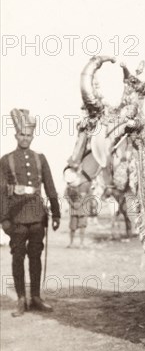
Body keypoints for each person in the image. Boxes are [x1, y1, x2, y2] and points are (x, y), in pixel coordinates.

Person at [0, 109, 61, 317]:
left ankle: (35, 297)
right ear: (16, 136)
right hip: (16, 218)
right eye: (21, 135)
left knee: (35, 257)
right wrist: (4, 219)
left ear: (32, 136)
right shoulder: (6, 160)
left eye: (28, 135)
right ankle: (21, 300)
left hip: (37, 217)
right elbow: (0, 191)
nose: (25, 138)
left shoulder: (40, 158)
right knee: (18, 258)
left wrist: (56, 213)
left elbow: (50, 186)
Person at [65, 182, 87, 248]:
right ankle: (71, 243)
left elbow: (88, 195)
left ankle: (81, 243)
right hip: (73, 209)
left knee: (82, 226)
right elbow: (66, 196)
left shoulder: (85, 185)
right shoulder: (69, 187)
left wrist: (81, 203)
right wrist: (72, 204)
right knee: (72, 227)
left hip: (82, 209)